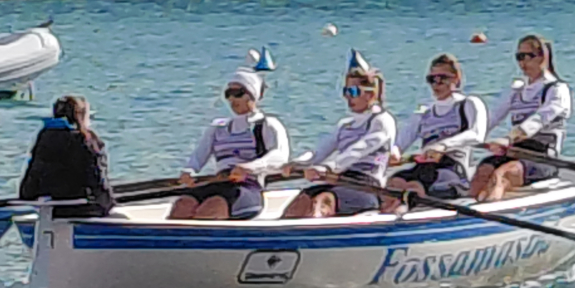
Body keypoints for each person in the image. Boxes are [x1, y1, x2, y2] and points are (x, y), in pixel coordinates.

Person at [168, 68, 290, 220]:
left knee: (213, 207)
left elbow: (280, 158)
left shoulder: (267, 124)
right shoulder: (218, 127)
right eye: (228, 94)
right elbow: (197, 158)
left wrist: (249, 168)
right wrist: (189, 172)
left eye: (237, 93)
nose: (232, 99)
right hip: (219, 183)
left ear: (252, 95)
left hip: (248, 187)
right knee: (182, 205)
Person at [282, 57, 396, 218]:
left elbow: (357, 150)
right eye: (345, 91)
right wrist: (297, 164)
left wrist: (328, 167)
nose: (348, 97)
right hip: (340, 180)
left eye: (353, 92)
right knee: (300, 202)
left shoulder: (382, 121)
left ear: (370, 94)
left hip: (367, 186)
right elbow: (318, 152)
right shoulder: (345, 125)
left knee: (322, 202)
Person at [469, 34, 572, 202]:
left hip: (543, 158)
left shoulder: (557, 90)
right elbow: (492, 118)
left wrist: (508, 138)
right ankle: (470, 209)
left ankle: (489, 211)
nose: (522, 62)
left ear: (543, 57)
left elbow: (537, 120)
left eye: (528, 56)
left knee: (501, 175)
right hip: (515, 153)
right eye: (519, 57)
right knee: (483, 172)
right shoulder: (517, 90)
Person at [381, 53, 487, 213]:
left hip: (452, 169)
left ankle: (407, 216)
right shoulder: (424, 113)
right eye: (432, 79)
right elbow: (400, 144)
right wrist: (393, 154)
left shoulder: (468, 104)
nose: (436, 84)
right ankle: (387, 216)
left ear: (456, 79)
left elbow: (477, 134)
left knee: (414, 186)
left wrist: (442, 146)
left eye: (442, 78)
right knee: (394, 183)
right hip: (425, 168)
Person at [19, 95, 115, 217]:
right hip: (81, 207)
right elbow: (98, 179)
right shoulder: (87, 140)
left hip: (52, 208)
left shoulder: (44, 137)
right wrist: (109, 205)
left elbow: (30, 183)